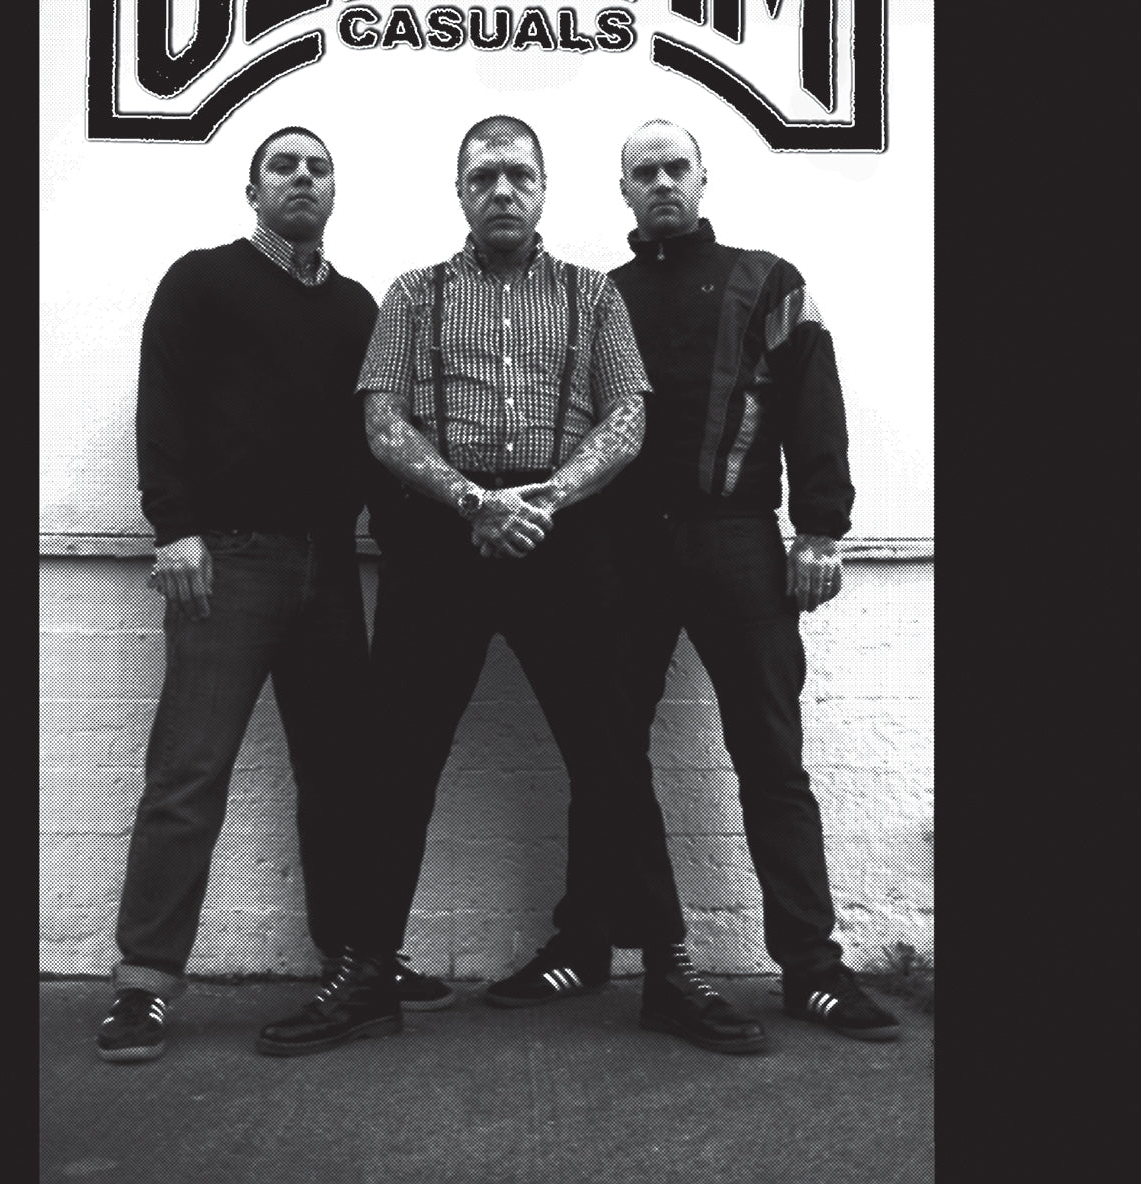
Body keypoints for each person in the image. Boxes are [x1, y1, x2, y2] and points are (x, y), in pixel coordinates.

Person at [256, 115, 766, 1058]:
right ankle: (367, 972)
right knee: (396, 764)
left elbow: (626, 420)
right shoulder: (412, 297)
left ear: (543, 191)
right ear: (460, 191)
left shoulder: (590, 298)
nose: (502, 190)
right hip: (438, 552)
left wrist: (542, 498)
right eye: (484, 175)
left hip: (562, 550)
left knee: (611, 755)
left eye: (519, 175)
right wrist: (470, 500)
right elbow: (382, 423)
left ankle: (668, 968)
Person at [97, 127, 454, 1066]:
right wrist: (173, 527)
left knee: (341, 777)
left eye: (319, 166)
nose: (303, 178)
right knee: (189, 774)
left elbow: (376, 438)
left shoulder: (354, 308)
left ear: (336, 189)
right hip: (227, 560)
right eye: (284, 166)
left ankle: (355, 963)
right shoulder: (202, 281)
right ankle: (144, 985)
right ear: (251, 188)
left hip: (329, 568)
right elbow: (162, 403)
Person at [604, 118, 900, 1041]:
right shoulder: (601, 298)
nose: (662, 183)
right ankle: (660, 966)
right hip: (625, 555)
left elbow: (818, 405)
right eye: (643, 171)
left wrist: (821, 529)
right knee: (611, 758)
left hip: (739, 545)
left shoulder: (767, 280)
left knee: (771, 760)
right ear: (624, 191)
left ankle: (812, 969)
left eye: (675, 168)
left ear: (703, 179)